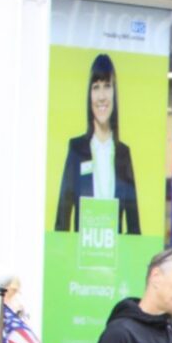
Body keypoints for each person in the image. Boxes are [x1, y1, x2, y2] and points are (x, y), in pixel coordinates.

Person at [54, 52, 143, 235]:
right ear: (89, 94)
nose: (101, 96)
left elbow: (134, 228)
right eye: (96, 87)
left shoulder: (123, 154)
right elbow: (62, 220)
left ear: (114, 92)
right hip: (81, 259)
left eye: (107, 86)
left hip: (115, 260)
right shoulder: (77, 149)